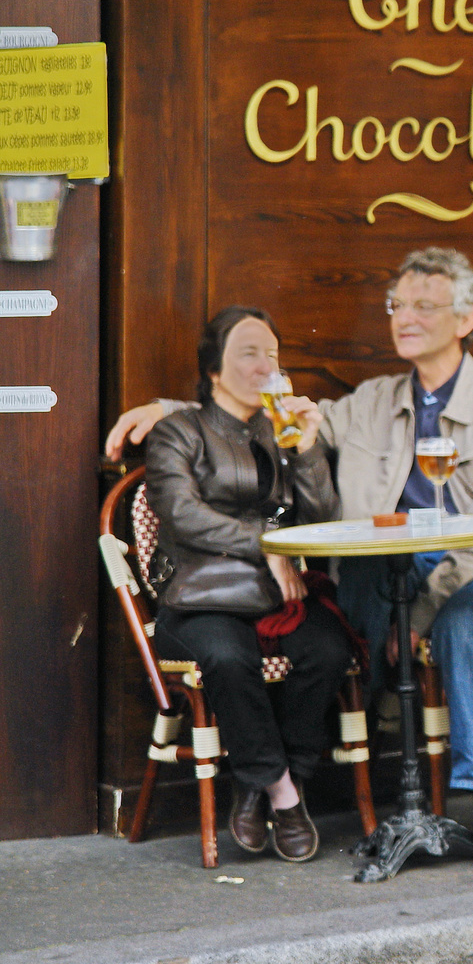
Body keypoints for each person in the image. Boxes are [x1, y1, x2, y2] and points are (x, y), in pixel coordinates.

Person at [108, 248, 473, 848]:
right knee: (354, 601)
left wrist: (419, 615)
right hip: (387, 567)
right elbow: (273, 418)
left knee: (461, 616)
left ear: (467, 320)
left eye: (425, 306)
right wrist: (169, 410)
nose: (405, 317)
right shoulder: (371, 401)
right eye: (398, 305)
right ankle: (366, 746)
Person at [145, 306, 347, 862]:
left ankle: (264, 779)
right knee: (229, 661)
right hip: (200, 598)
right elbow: (181, 514)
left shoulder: (283, 428)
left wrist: (306, 449)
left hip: (278, 597)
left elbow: (322, 514)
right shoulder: (177, 432)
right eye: (248, 353)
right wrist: (268, 544)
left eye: (273, 355)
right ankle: (286, 798)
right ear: (214, 369)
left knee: (329, 650)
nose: (265, 366)